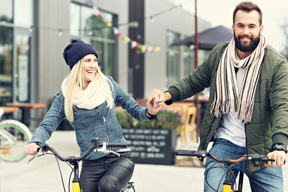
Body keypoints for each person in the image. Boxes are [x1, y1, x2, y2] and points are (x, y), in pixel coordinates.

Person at [150, 1, 288, 191]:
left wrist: (279, 146)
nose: (245, 31)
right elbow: (194, 81)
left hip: (263, 149)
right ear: (233, 27)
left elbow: (282, 105)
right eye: (240, 25)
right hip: (225, 145)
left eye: (251, 26)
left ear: (260, 28)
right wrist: (165, 96)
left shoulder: (277, 64)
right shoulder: (220, 54)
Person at [25, 41, 160, 192]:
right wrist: (36, 142)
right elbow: (47, 124)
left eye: (95, 60)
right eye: (87, 61)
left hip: (118, 156)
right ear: (76, 65)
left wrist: (150, 111)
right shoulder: (65, 96)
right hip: (90, 162)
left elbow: (135, 109)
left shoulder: (108, 85)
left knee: (107, 185)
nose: (93, 65)